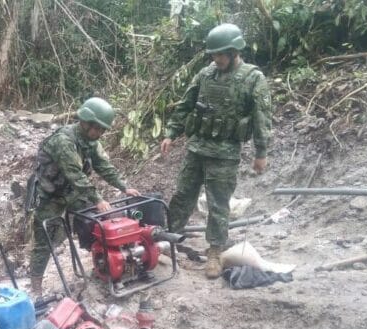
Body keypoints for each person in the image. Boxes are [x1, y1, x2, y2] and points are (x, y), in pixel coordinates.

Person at [160, 23, 272, 279]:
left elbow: (262, 118)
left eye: (220, 54)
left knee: (218, 205)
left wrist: (261, 152)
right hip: (197, 149)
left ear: (234, 52)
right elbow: (186, 104)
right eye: (213, 54)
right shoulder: (206, 74)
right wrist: (171, 133)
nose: (216, 59)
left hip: (225, 153)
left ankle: (214, 252)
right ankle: (168, 240)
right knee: (182, 196)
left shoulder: (254, 78)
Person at [27, 97, 140, 294]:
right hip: (49, 195)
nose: (99, 133)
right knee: (46, 240)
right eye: (96, 128)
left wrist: (123, 187)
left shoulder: (90, 142)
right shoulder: (64, 141)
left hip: (73, 192)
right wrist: (98, 199)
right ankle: (35, 284)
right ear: (85, 122)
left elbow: (103, 166)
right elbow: (76, 175)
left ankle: (105, 262)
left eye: (102, 130)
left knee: (96, 223)